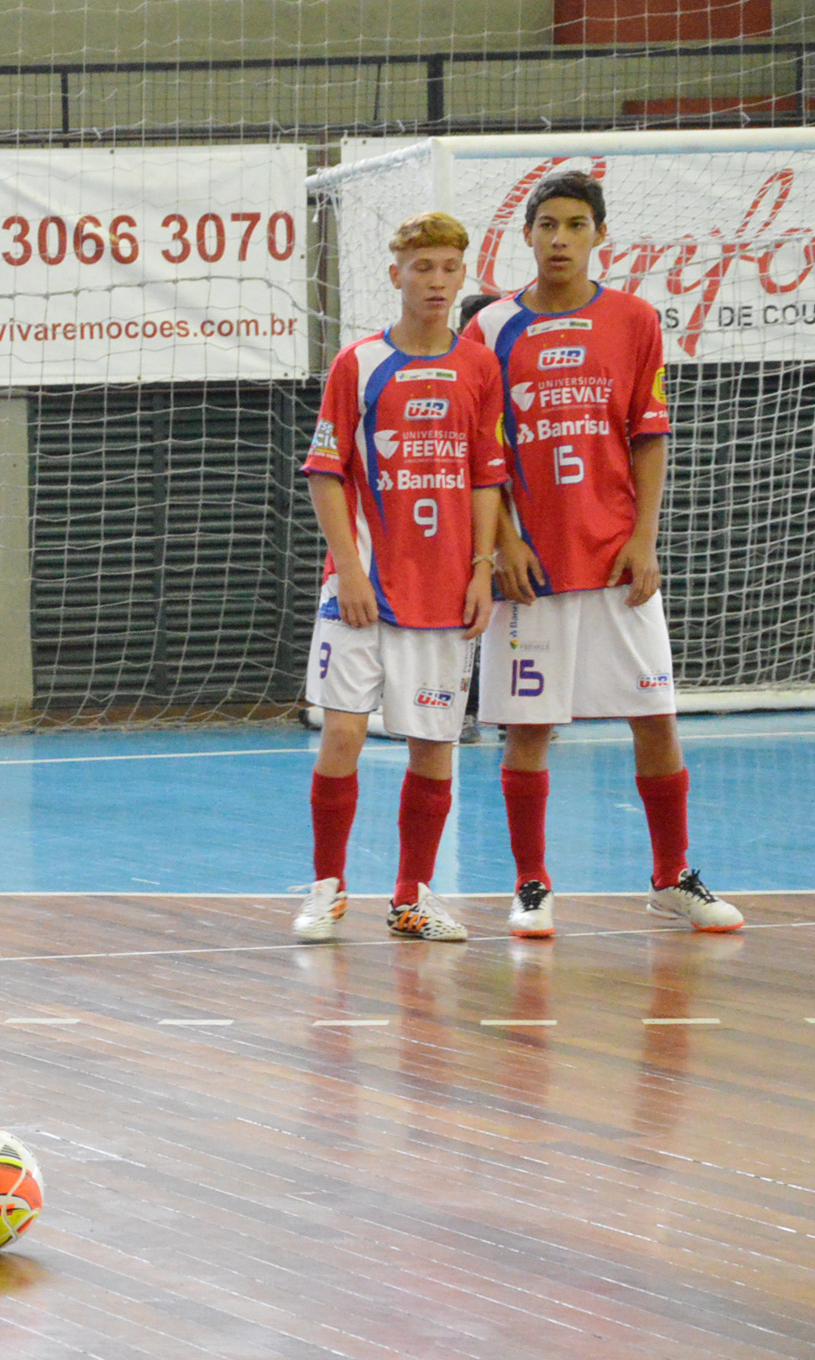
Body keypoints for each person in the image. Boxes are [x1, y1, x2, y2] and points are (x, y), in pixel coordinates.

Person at [461, 170, 744, 938]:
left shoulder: (634, 320)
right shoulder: (488, 329)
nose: (560, 239)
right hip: (531, 567)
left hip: (617, 558)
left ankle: (672, 876)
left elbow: (648, 436)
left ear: (599, 234)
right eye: (547, 225)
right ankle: (531, 884)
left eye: (576, 225)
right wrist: (503, 542)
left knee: (655, 717)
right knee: (529, 730)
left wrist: (645, 538)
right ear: (526, 234)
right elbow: (480, 454)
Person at [289, 211, 506, 945]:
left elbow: (486, 478)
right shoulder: (358, 364)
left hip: (445, 591)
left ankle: (411, 896)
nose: (437, 281)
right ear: (396, 275)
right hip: (362, 588)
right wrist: (348, 571)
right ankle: (327, 887)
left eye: (449, 268)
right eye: (422, 268)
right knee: (342, 734)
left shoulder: (479, 368)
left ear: (462, 274)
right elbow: (325, 473)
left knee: (434, 745)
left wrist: (482, 570)